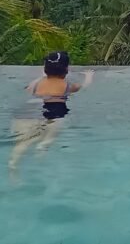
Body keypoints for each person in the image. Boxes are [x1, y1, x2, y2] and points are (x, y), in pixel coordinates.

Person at [8, 51, 93, 180]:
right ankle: (43, 146)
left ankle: (13, 163)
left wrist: (43, 75)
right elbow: (84, 86)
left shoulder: (35, 84)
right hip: (55, 108)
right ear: (66, 70)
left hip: (28, 109)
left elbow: (29, 88)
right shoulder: (68, 86)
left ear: (45, 69)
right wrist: (89, 76)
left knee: (22, 142)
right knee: (51, 134)